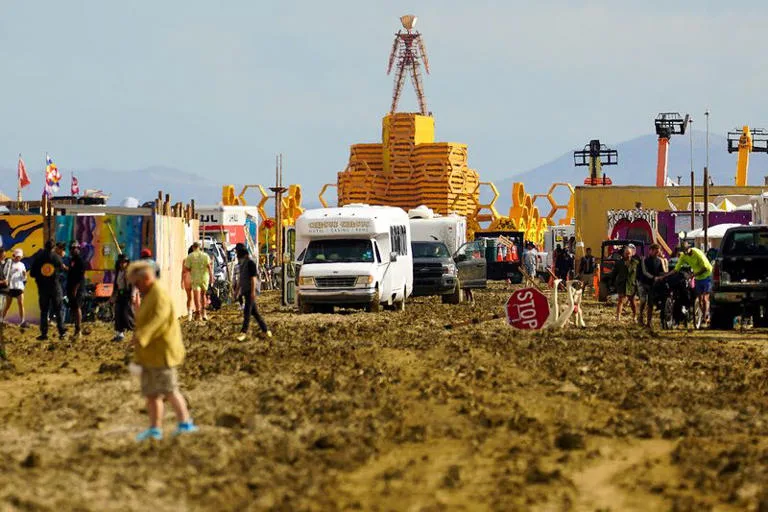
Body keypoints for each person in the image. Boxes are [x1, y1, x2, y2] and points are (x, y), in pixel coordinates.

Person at [128, 261, 197, 441]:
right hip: (150, 354)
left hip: (163, 352)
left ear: (147, 278)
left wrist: (141, 336)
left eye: (137, 283)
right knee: (151, 393)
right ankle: (155, 429)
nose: (136, 287)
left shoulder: (159, 294)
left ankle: (185, 423)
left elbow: (158, 320)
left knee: (169, 390)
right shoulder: (149, 294)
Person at [30, 240, 67, 340]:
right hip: (55, 287)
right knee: (58, 309)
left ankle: (44, 333)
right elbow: (62, 269)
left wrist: (41, 276)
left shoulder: (39, 257)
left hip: (43, 288)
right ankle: (62, 332)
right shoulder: (57, 258)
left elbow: (32, 273)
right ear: (53, 247)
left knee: (44, 311)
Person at [235, 246, 271, 341]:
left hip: (250, 292)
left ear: (245, 255)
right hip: (246, 291)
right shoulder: (242, 265)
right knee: (255, 313)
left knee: (247, 312)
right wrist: (237, 291)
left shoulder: (250, 263)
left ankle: (243, 332)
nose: (239, 259)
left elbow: (253, 278)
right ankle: (266, 330)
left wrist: (252, 291)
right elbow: (240, 279)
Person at [672, 241, 713, 324]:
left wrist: (693, 275)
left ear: (689, 248)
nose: (685, 252)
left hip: (707, 275)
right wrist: (665, 275)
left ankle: (706, 316)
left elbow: (705, 267)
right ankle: (703, 315)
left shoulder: (697, 253)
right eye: (683, 250)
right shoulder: (683, 256)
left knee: (705, 298)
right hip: (698, 277)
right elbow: (676, 269)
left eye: (686, 250)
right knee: (699, 299)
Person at [637, 244, 665, 327]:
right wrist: (654, 278)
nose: (657, 254)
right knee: (643, 301)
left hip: (652, 284)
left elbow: (661, 272)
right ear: (650, 250)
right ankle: (641, 317)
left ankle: (649, 322)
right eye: (655, 252)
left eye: (658, 252)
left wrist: (665, 275)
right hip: (643, 283)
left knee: (650, 303)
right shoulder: (644, 260)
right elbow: (645, 272)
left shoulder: (659, 261)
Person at [183, 242, 213, 321]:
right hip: (204, 278)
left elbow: (186, 269)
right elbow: (209, 267)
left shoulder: (190, 256)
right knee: (203, 295)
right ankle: (204, 313)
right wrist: (212, 277)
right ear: (199, 247)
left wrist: (192, 269)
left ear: (193, 247)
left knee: (196, 296)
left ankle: (198, 313)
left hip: (195, 278)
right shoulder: (205, 256)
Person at [111, 254, 135, 341]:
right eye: (121, 262)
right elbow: (116, 285)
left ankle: (137, 331)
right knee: (118, 313)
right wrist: (113, 296)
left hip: (127, 294)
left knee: (127, 314)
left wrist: (133, 295)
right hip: (120, 294)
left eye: (124, 262)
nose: (122, 264)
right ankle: (119, 334)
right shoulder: (118, 272)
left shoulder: (130, 272)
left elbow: (133, 285)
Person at [1, 249, 27, 327]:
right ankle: (1, 319)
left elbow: (24, 278)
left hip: (19, 286)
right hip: (11, 287)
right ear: (14, 255)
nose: (18, 258)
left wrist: (24, 275)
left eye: (19, 256)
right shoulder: (9, 263)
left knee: (21, 303)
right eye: (17, 256)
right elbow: (5, 273)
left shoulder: (22, 265)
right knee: (7, 305)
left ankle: (22, 321)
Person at [66, 242, 86, 339]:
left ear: (78, 249)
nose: (73, 250)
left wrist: (75, 289)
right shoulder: (72, 260)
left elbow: (80, 277)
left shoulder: (80, 261)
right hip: (71, 286)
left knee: (77, 307)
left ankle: (78, 329)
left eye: (75, 248)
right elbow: (71, 272)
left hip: (77, 288)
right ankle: (76, 329)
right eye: (72, 248)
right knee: (73, 307)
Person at [613, 247, 638, 322]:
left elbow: (639, 274)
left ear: (632, 254)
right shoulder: (619, 263)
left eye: (629, 254)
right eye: (626, 254)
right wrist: (612, 283)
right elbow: (614, 273)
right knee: (620, 300)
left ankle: (634, 316)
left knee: (633, 301)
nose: (627, 255)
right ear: (623, 254)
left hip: (631, 285)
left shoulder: (636, 263)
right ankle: (618, 317)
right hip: (622, 284)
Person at [181, 245, 195, 321]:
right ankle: (195, 312)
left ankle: (190, 314)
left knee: (189, 297)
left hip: (187, 279)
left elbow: (183, 272)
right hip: (195, 279)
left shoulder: (185, 260)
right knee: (196, 297)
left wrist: (182, 281)